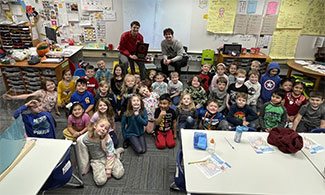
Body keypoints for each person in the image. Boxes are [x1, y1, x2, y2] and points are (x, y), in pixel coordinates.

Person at [77, 119, 124, 186]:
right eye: (101, 126)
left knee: (119, 174)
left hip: (107, 156)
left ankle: (117, 154)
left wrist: (108, 169)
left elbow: (110, 154)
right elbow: (82, 154)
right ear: (95, 126)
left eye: (106, 129)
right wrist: (84, 168)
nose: (103, 129)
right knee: (100, 181)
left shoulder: (107, 138)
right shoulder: (83, 139)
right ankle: (116, 153)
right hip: (96, 160)